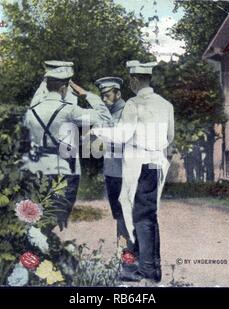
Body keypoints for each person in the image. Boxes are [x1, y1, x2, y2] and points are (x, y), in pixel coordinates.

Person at [92, 61, 174, 282]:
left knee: (136, 217)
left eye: (131, 80)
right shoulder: (166, 104)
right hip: (156, 162)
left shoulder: (132, 104)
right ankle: (152, 268)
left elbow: (121, 136)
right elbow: (169, 137)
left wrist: (97, 131)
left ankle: (141, 269)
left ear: (134, 80)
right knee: (148, 215)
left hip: (136, 164)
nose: (130, 83)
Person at [22, 64, 112, 231]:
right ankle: (44, 248)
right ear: (64, 88)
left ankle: (37, 250)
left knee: (36, 216)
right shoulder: (69, 110)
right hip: (64, 170)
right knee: (57, 217)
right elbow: (106, 119)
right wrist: (87, 95)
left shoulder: (30, 112)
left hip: (35, 169)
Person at [94, 76, 137, 271]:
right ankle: (126, 255)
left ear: (118, 93)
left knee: (125, 215)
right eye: (102, 96)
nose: (104, 99)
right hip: (112, 171)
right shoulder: (108, 113)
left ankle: (128, 258)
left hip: (125, 171)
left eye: (107, 95)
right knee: (119, 215)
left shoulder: (127, 112)